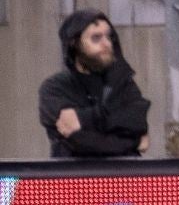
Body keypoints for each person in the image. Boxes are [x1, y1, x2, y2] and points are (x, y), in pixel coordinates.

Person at [39, 9, 150, 158]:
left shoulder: (122, 82)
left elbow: (137, 121)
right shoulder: (55, 88)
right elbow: (77, 141)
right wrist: (133, 143)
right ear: (74, 43)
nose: (106, 44)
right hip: (75, 178)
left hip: (124, 177)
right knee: (9, 181)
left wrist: (82, 119)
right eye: (96, 38)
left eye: (109, 37)